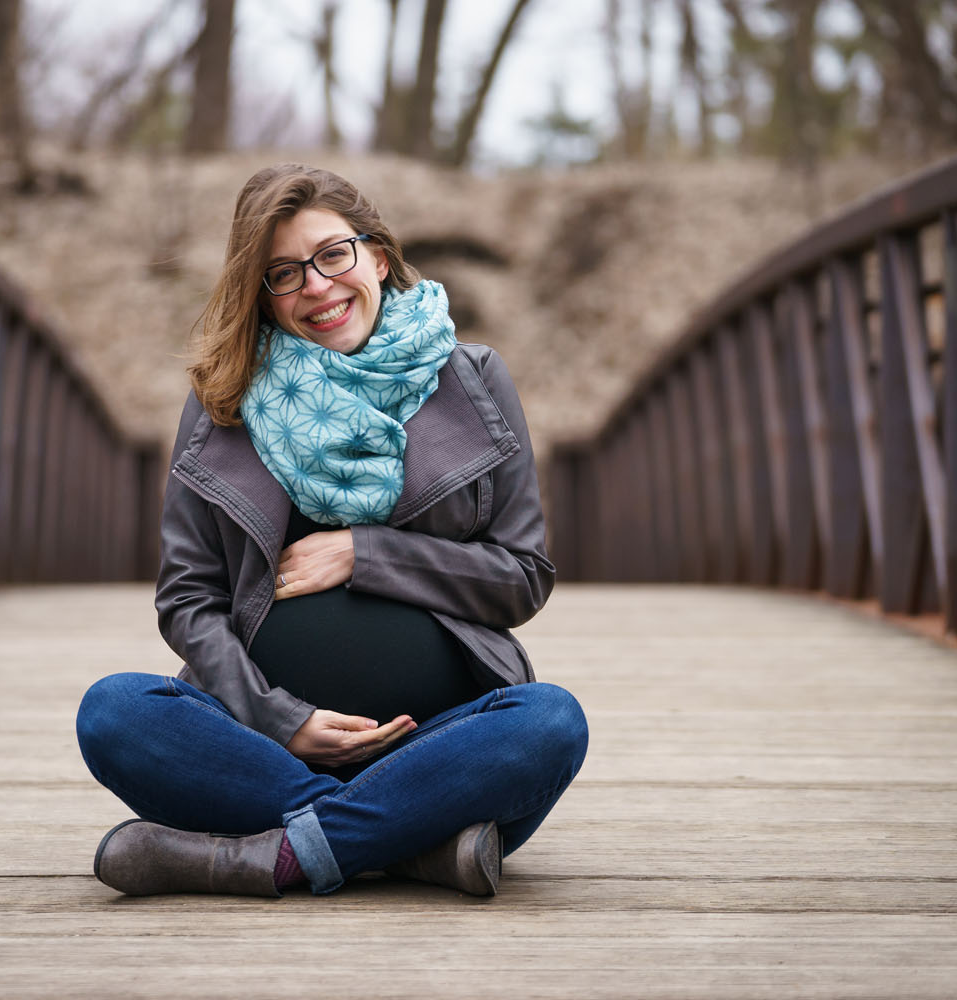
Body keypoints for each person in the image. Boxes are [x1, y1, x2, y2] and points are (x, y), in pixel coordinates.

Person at [76, 163, 587, 898]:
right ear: (262, 294)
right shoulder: (223, 399)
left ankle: (271, 853)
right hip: (257, 747)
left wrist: (366, 554)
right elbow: (189, 600)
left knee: (549, 724)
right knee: (114, 711)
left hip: (441, 745)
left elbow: (522, 577)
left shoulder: (472, 380)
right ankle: (404, 846)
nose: (316, 286)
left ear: (376, 255)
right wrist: (280, 720)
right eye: (283, 274)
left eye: (332, 255)